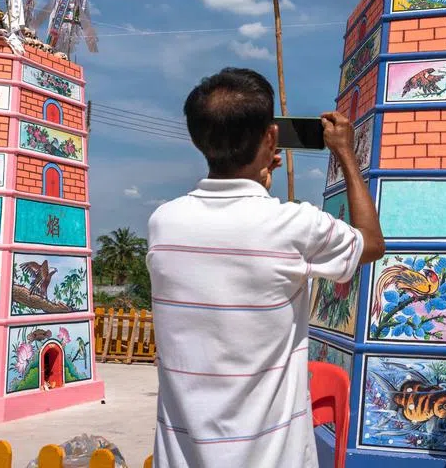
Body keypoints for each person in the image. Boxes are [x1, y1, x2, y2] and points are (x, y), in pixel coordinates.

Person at [148, 68, 385, 467]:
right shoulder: (294, 225)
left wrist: (256, 189)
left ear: (197, 139)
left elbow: (234, 239)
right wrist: (345, 152)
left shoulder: (163, 223)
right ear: (271, 136)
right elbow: (372, 243)